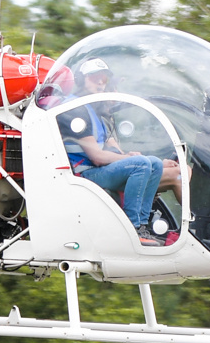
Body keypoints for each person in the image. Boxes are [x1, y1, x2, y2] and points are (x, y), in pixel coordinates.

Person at [60, 59, 176, 247]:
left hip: (95, 171)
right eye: (94, 77)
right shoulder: (74, 110)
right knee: (141, 164)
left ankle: (143, 226)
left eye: (103, 79)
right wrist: (129, 159)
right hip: (81, 175)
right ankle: (131, 227)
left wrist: (128, 155)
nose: (100, 82)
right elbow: (97, 157)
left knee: (153, 163)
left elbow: (109, 150)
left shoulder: (92, 110)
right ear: (81, 80)